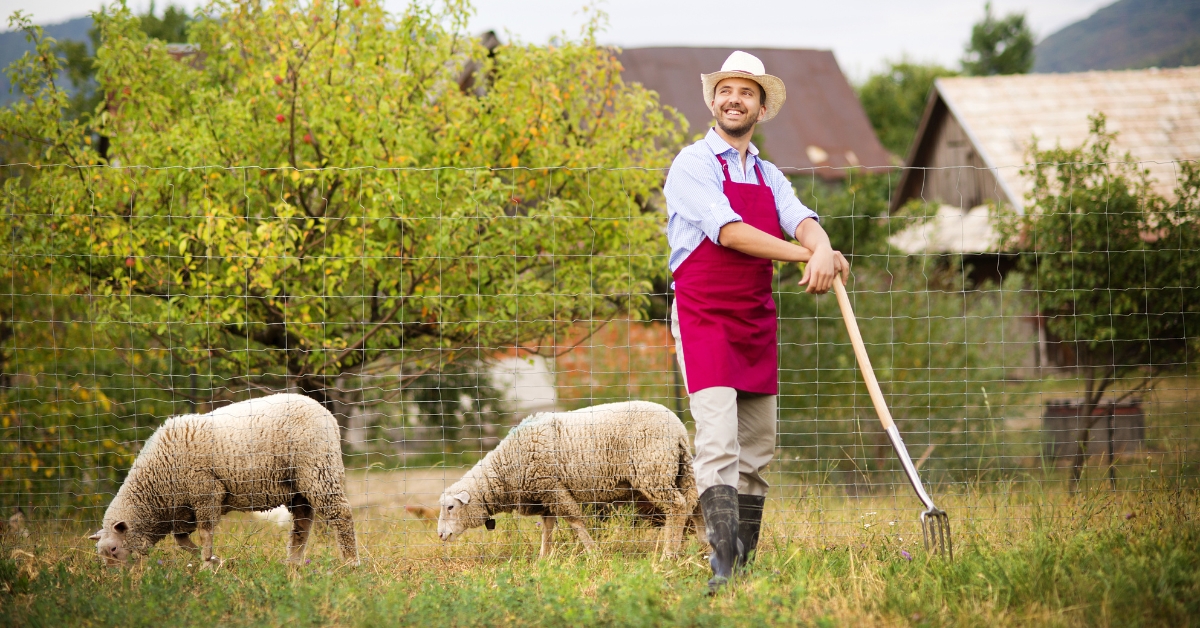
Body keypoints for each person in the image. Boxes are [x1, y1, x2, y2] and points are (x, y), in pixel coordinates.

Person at [664, 50, 848, 593]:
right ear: (713, 101)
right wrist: (804, 257)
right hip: (704, 317)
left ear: (761, 108)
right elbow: (729, 233)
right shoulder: (692, 164)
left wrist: (823, 245)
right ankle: (720, 564)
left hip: (753, 320)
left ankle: (743, 564)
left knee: (758, 448)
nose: (733, 99)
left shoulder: (769, 174)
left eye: (746, 92)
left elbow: (802, 220)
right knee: (718, 442)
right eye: (725, 90)